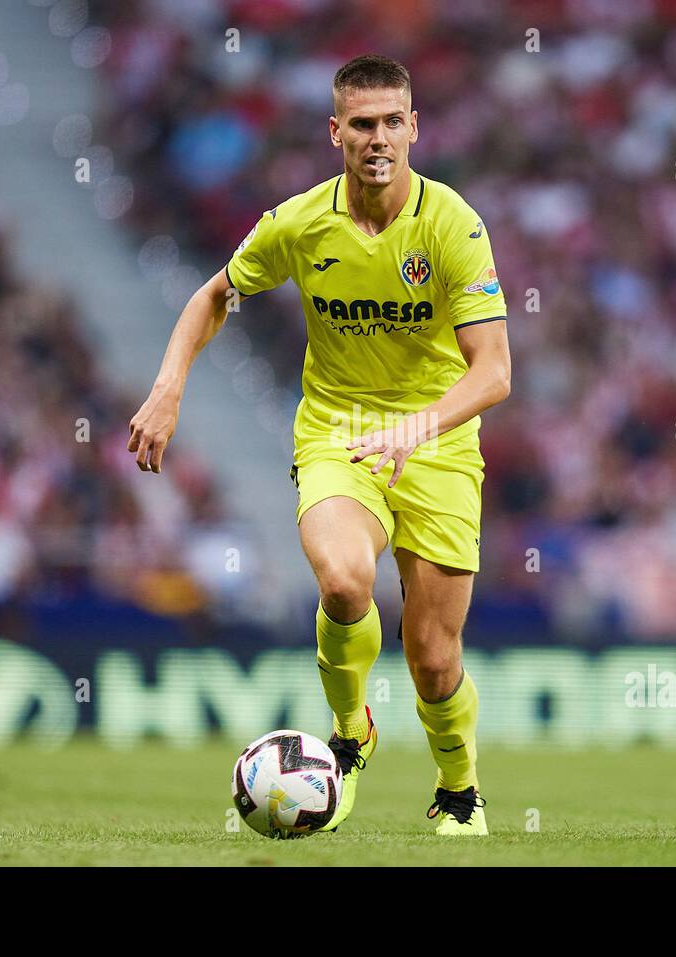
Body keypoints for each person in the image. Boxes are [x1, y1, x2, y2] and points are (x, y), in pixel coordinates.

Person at [128, 54, 511, 836]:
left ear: (414, 128)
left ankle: (459, 787)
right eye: (362, 123)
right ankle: (348, 730)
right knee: (341, 581)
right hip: (337, 432)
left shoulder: (451, 225)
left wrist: (417, 427)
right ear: (335, 131)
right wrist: (169, 386)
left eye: (392, 122)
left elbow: (494, 373)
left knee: (434, 657)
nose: (378, 137)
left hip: (435, 441)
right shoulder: (300, 223)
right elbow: (213, 295)